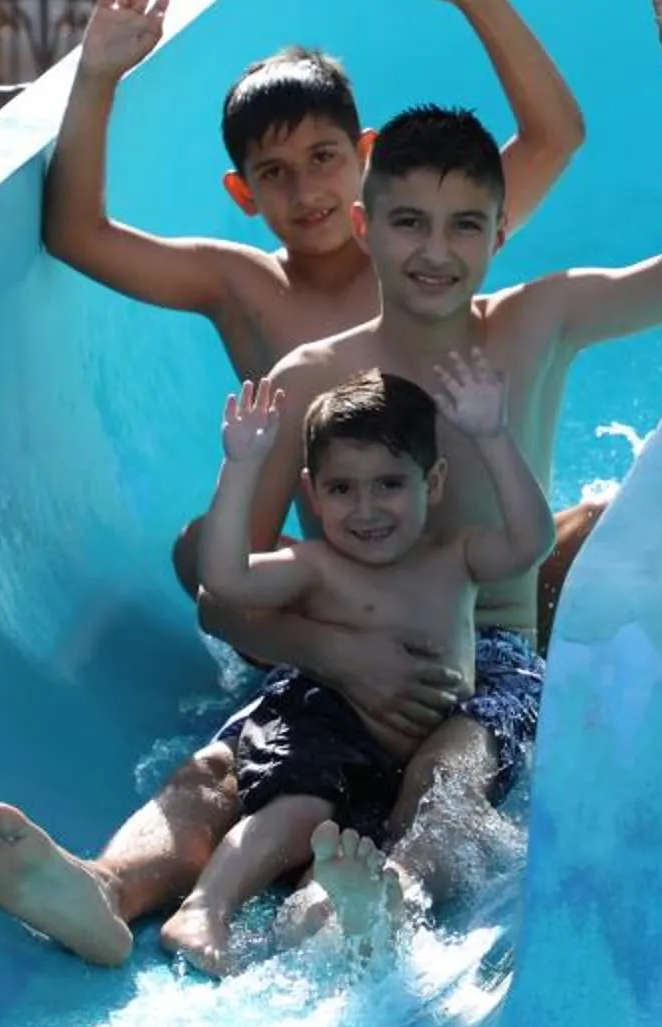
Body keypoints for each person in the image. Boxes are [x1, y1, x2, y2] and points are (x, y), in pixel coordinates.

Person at [0, 0, 662, 964]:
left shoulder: (537, 321)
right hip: (339, 647)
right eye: (408, 224)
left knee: (453, 771)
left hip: (486, 657)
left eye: (464, 227)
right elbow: (225, 585)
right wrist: (335, 651)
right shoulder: (311, 372)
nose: (434, 249)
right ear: (368, 223)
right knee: (217, 770)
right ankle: (104, 885)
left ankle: (374, 897)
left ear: (496, 233)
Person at [41, 0, 584, 383]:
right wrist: (96, 76)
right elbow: (76, 236)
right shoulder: (243, 287)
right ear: (243, 193)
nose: (305, 190)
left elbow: (555, 137)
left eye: (323, 157)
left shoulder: (426, 241)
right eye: (274, 172)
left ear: (366, 155)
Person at [158, 360, 553, 976]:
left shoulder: (456, 557)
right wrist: (240, 467)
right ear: (313, 492)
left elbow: (532, 541)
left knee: (418, 818)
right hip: (337, 733)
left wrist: (494, 435)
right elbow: (225, 578)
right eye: (342, 489)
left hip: (420, 746)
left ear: (435, 481)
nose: (366, 508)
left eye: (390, 483)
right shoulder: (315, 567)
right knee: (291, 808)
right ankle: (205, 909)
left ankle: (344, 910)